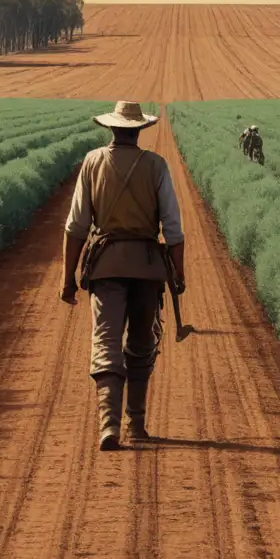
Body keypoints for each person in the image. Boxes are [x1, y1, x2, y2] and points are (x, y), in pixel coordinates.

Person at [59, 101, 186, 449]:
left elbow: (76, 226)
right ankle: (137, 424)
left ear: (112, 128)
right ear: (139, 129)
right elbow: (173, 229)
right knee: (142, 343)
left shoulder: (92, 161)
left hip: (106, 265)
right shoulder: (156, 165)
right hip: (147, 268)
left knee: (106, 341)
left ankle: (108, 426)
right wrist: (178, 273)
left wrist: (67, 278)